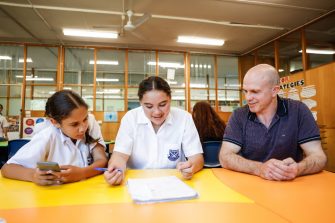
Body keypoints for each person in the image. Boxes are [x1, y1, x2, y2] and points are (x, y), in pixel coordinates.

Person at [219, 64, 327, 181]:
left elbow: (319, 156)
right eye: (245, 91)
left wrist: (298, 169)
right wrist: (259, 169)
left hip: (290, 186)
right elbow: (225, 157)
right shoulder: (239, 115)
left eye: (255, 91)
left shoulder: (298, 111)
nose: (248, 97)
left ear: (274, 90)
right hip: (250, 185)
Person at [104, 76, 204, 186]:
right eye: (149, 106)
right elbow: (120, 156)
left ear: (170, 99)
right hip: (137, 183)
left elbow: (196, 157)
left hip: (174, 184)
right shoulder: (130, 118)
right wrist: (115, 170)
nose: (157, 112)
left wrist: (192, 167)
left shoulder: (184, 118)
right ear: (140, 103)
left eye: (162, 105)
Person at [1, 90, 108, 185]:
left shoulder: (91, 122)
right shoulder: (47, 135)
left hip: (88, 193)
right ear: (55, 122)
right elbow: (7, 169)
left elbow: (101, 160)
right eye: (74, 124)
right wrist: (33, 175)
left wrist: (82, 173)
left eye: (85, 119)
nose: (82, 128)